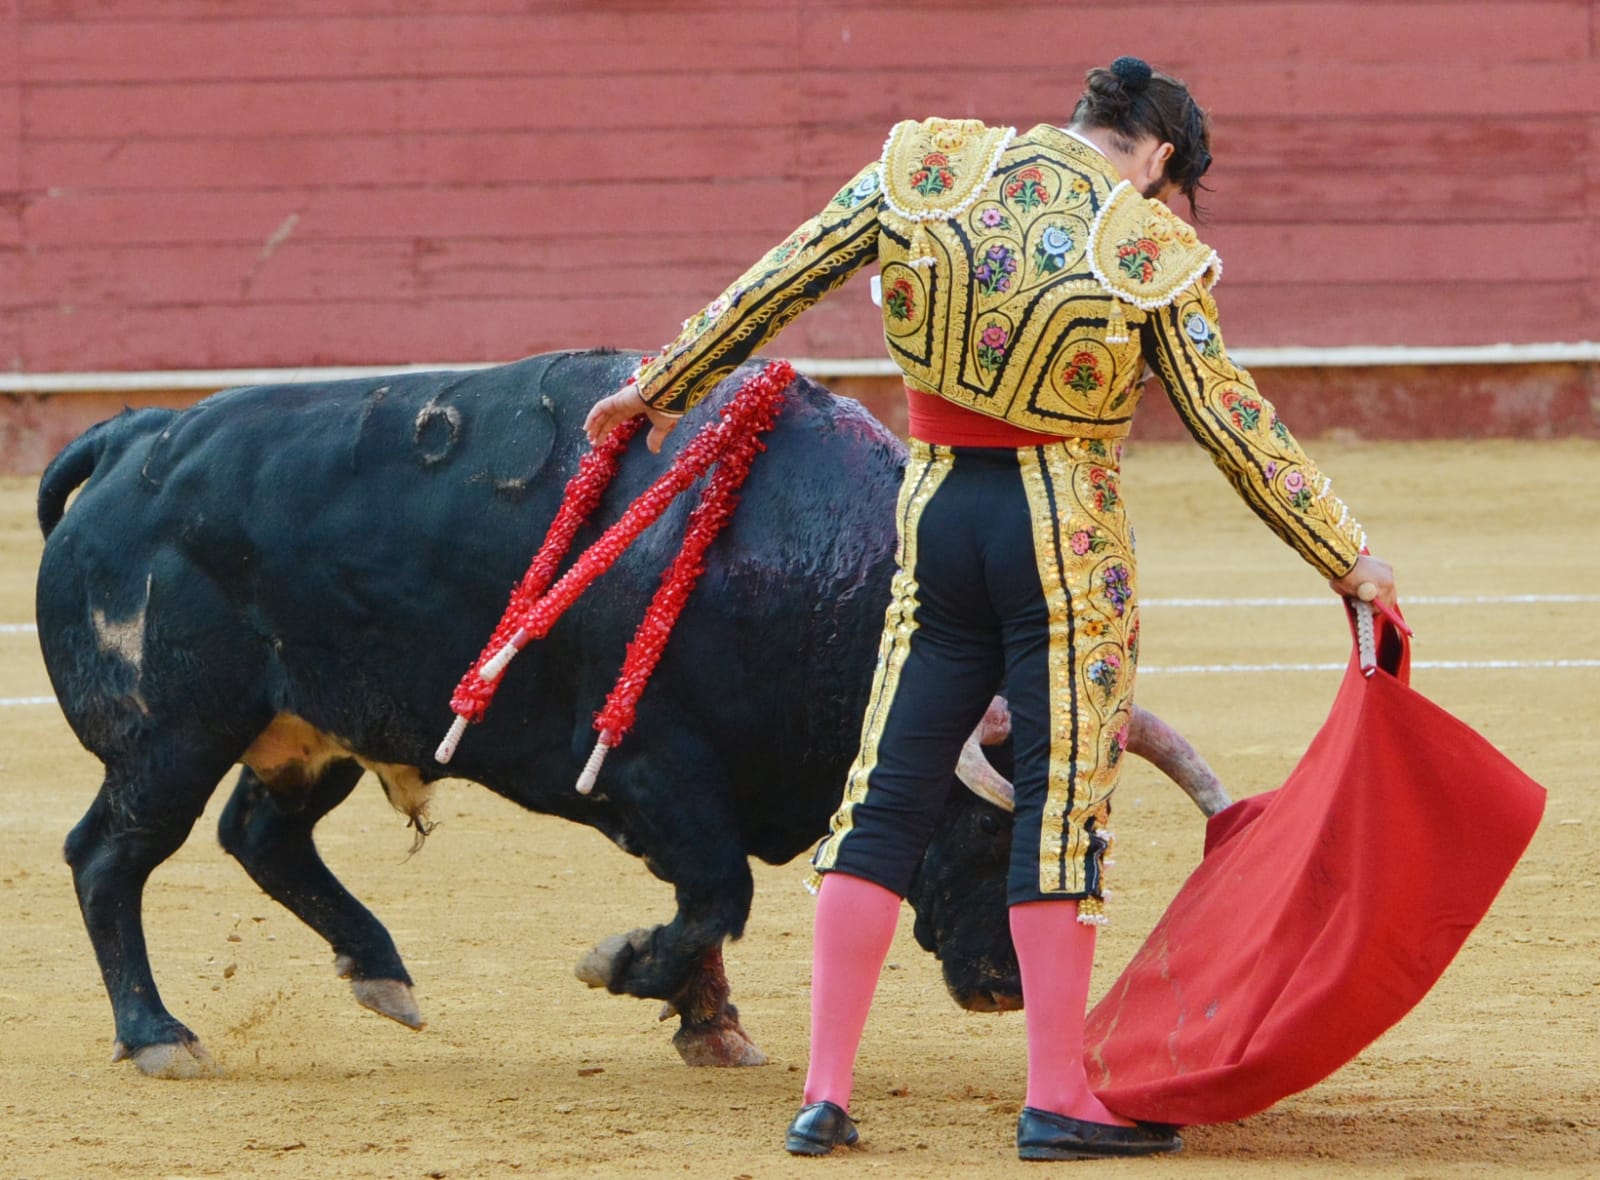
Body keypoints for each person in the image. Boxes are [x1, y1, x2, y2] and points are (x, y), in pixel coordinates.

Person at [585, 55, 1397, 1162]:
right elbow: (1231, 421)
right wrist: (1345, 557)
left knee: (884, 796)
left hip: (935, 516)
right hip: (1059, 538)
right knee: (1059, 814)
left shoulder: (930, 166)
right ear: (1159, 156)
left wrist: (663, 381)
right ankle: (1058, 1094)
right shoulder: (1147, 244)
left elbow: (784, 276)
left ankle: (824, 1092)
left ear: (1081, 118)